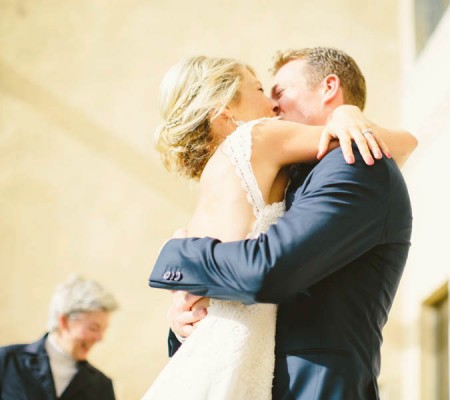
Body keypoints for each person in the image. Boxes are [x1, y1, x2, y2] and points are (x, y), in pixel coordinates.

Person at [148, 48, 416, 399]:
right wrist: (184, 324)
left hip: (314, 387)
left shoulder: (357, 162)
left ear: (328, 88)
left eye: (279, 93)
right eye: (263, 93)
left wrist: (177, 257)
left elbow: (269, 269)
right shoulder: (276, 168)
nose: (273, 107)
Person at [0, 275, 118, 400]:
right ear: (64, 322)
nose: (100, 338)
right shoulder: (8, 361)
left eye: (103, 330)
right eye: (94, 328)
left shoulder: (102, 386)